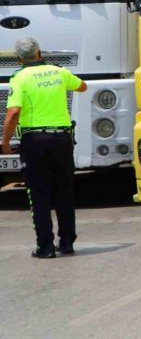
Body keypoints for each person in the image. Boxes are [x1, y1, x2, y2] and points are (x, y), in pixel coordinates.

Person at [1, 37, 87, 258]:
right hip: (62, 138)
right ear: (39, 52)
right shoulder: (59, 71)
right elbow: (82, 87)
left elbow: (13, 112)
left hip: (35, 140)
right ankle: (67, 242)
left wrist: (5, 141)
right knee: (64, 191)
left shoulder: (19, 77)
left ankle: (45, 247)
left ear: (19, 57)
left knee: (39, 194)